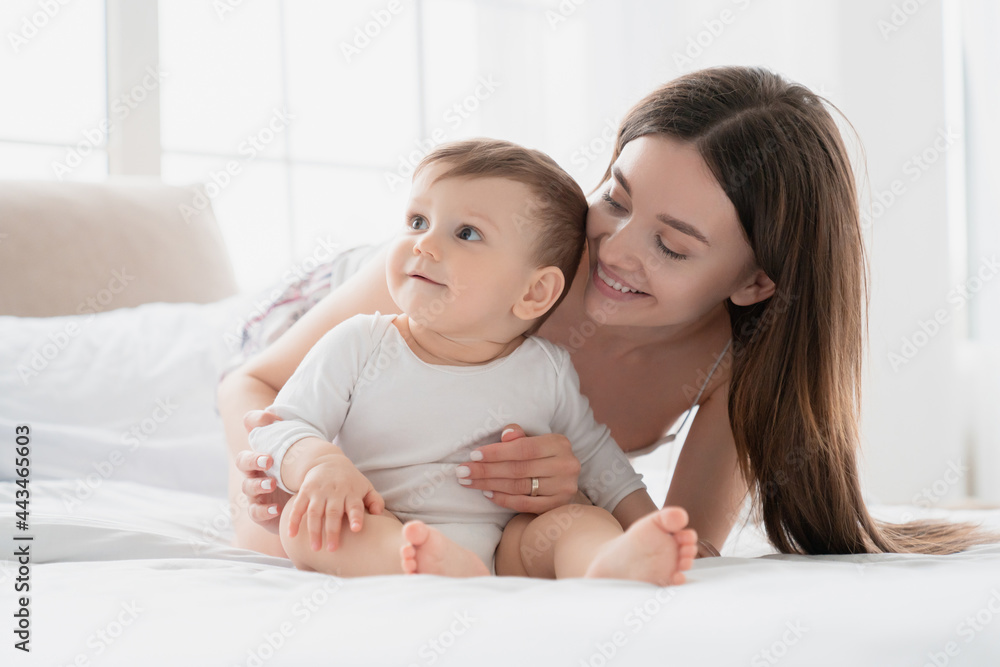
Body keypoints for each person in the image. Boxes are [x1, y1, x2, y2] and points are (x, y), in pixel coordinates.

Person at [220, 66, 994, 575]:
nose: (614, 248)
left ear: (755, 281)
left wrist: (582, 511)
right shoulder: (498, 264)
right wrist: (283, 469)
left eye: (670, 244)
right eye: (617, 196)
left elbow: (679, 536)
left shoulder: (732, 362)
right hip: (313, 327)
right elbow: (252, 383)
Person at [244, 138, 698, 582]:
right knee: (308, 527)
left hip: (508, 549)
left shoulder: (547, 369)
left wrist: (645, 525)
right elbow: (279, 425)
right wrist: (320, 465)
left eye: (466, 233)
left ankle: (609, 562)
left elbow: (602, 463)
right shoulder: (361, 342)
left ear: (534, 292)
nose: (424, 244)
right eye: (418, 221)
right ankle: (411, 560)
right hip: (382, 519)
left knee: (579, 521)